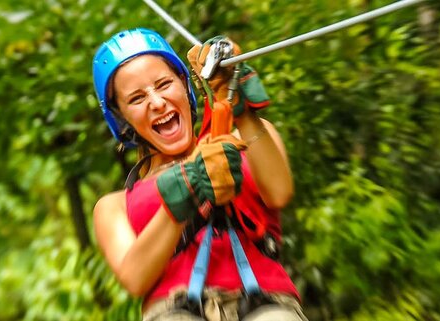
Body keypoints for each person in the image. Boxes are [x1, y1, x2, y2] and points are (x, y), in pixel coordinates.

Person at [92, 28, 307, 321]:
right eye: (137, 98)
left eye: (164, 84)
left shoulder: (243, 140)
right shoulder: (114, 205)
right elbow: (134, 277)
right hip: (173, 311)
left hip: (267, 303)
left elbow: (279, 192)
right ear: (122, 117)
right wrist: (187, 187)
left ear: (184, 84)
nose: (157, 102)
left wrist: (242, 113)